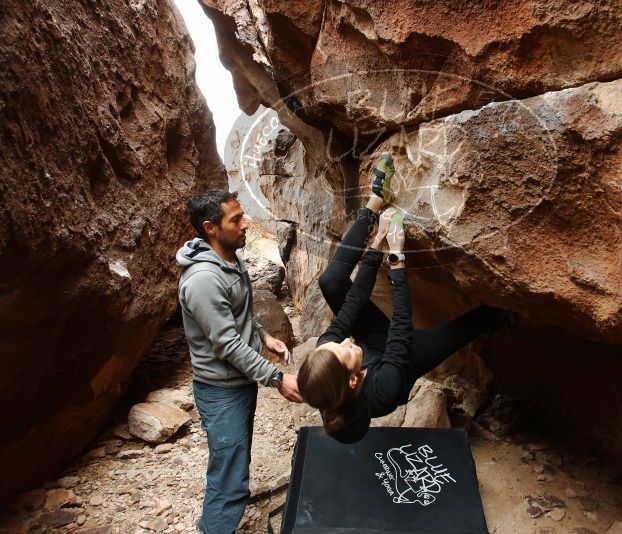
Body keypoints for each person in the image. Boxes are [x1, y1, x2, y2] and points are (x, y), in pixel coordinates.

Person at [298, 153, 508, 444]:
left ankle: (375, 200)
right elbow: (400, 326)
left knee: (331, 282)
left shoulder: (327, 353)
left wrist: (377, 241)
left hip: (373, 339)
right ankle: (496, 319)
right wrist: (397, 256)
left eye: (337, 344)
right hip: (404, 356)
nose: (346, 340)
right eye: (346, 350)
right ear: (354, 379)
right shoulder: (385, 390)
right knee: (479, 318)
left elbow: (352, 303)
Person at [176, 189, 303, 534]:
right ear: (210, 228)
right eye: (236, 219)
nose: (246, 223)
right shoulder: (204, 279)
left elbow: (239, 314)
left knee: (233, 460)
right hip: (221, 391)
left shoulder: (231, 258)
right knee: (230, 474)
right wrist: (277, 378)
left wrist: (264, 336)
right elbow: (227, 343)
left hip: (237, 383)